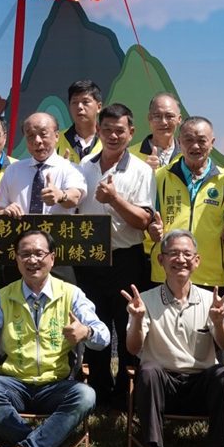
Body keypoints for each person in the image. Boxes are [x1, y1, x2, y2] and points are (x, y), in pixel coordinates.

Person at [0, 229, 110, 447]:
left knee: (86, 395)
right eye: (25, 254)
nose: (32, 260)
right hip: (13, 384)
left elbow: (103, 336)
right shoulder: (3, 296)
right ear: (16, 259)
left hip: (56, 384)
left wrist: (86, 331)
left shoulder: (71, 294)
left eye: (39, 254)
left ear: (52, 258)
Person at [123, 229, 224, 447]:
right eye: (173, 253)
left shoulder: (211, 300)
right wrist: (138, 319)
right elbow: (132, 348)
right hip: (163, 384)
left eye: (187, 254)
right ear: (161, 260)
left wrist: (218, 323)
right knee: (147, 370)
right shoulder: (146, 300)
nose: (180, 259)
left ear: (197, 261)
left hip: (200, 384)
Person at [76, 103, 155, 406]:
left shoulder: (142, 170)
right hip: (90, 260)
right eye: (106, 129)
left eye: (119, 130)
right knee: (93, 323)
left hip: (127, 259)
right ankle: (98, 389)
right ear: (97, 130)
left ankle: (125, 392)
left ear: (131, 133)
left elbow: (143, 220)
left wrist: (114, 199)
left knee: (126, 326)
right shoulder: (83, 168)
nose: (112, 135)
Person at [0, 111, 87, 284]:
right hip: (20, 257)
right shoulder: (13, 170)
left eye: (43, 134)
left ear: (57, 136)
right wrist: (5, 211)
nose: (37, 141)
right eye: (30, 136)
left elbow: (75, 197)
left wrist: (60, 195)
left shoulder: (70, 169)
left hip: (58, 255)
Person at [147, 116, 224, 289]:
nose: (195, 146)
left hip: (210, 276)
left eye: (202, 140)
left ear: (212, 143)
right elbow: (149, 220)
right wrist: (151, 230)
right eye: (188, 140)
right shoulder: (159, 178)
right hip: (166, 273)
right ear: (179, 142)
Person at [130, 93, 182, 170]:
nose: (163, 122)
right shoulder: (129, 155)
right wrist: (142, 173)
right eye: (157, 116)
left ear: (179, 119)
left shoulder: (187, 156)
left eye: (169, 116)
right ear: (149, 118)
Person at [57, 79, 103, 163]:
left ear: (99, 107)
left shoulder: (109, 140)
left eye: (85, 102)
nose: (79, 107)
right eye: (74, 102)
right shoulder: (56, 140)